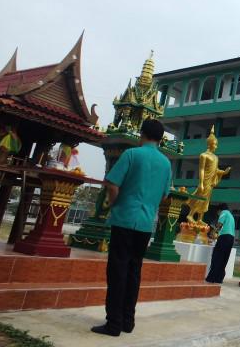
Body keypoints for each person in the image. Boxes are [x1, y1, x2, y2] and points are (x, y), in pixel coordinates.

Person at [91, 119, 171, 337]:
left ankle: (113, 323)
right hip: (145, 224)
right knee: (134, 271)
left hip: (124, 219)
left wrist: (115, 203)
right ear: (160, 139)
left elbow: (112, 184)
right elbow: (165, 195)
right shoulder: (166, 163)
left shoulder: (131, 154)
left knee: (118, 271)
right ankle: (127, 321)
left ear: (142, 134)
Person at [205, 203, 235, 283]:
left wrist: (212, 233)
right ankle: (219, 278)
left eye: (217, 212)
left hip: (224, 238)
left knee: (217, 257)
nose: (218, 214)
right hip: (231, 238)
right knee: (224, 259)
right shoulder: (231, 215)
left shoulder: (224, 212)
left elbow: (219, 225)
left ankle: (212, 278)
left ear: (219, 210)